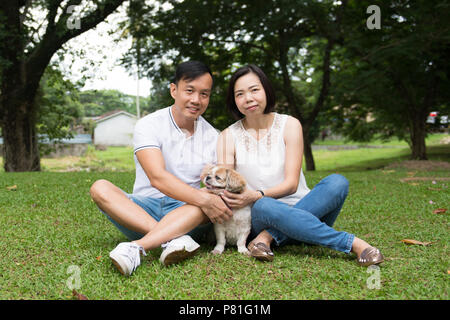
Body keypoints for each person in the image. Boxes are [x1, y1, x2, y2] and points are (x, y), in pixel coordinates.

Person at [217, 64, 384, 266]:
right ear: (234, 100)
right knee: (265, 204)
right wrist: (250, 198)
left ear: (266, 90)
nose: (248, 98)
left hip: (306, 208)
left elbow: (291, 185)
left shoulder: (290, 125)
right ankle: (353, 244)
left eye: (254, 90)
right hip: (263, 214)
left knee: (337, 182)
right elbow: (223, 187)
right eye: (240, 94)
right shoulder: (227, 136)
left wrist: (256, 194)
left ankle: (266, 239)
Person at [90, 61, 232, 276]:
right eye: (190, 91)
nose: (196, 100)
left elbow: (221, 187)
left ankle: (137, 247)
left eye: (204, 94)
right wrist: (204, 199)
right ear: (174, 90)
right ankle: (173, 239)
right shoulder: (149, 124)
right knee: (100, 187)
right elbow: (157, 177)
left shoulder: (215, 137)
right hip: (143, 209)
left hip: (187, 211)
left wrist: (207, 189)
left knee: (205, 201)